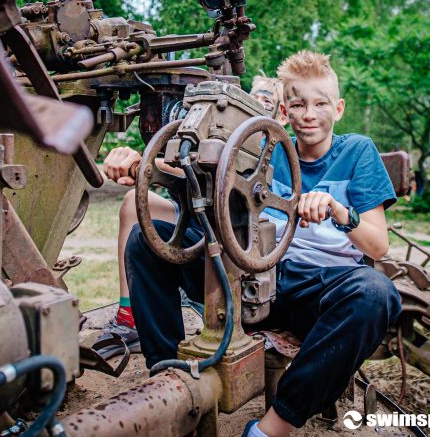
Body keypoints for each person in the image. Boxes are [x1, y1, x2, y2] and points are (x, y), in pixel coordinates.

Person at [124, 50, 402, 437]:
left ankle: (271, 428)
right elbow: (191, 173)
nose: (309, 114)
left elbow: (378, 247)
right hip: (255, 276)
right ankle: (169, 380)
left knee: (376, 292)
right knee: (147, 240)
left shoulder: (358, 152)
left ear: (338, 109)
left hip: (319, 291)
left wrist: (340, 212)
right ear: (284, 112)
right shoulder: (264, 148)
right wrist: (137, 163)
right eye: (298, 105)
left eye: (321, 104)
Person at [97, 75, 288, 357]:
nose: (256, 105)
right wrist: (146, 167)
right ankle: (132, 320)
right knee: (134, 207)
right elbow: (198, 167)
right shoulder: (228, 137)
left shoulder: (275, 151)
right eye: (252, 99)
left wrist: (145, 164)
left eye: (265, 103)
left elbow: (226, 176)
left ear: (281, 115)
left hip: (247, 245)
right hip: (205, 224)